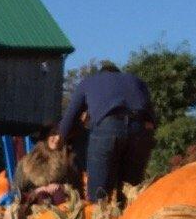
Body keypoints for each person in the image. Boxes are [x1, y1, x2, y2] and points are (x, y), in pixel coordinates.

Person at [53, 62, 155, 202]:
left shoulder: (88, 82)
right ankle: (130, 216)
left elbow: (69, 119)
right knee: (131, 191)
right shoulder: (136, 81)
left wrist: (62, 138)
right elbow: (152, 119)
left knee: (99, 194)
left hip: (108, 127)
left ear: (101, 73)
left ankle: (100, 214)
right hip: (140, 130)